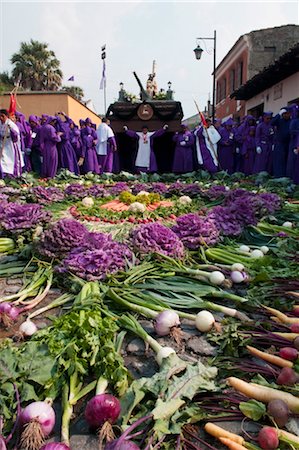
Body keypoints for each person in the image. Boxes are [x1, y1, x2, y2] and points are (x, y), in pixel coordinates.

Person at [0, 109, 23, 177]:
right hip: (2, 144)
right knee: (2, 161)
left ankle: (12, 175)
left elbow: (16, 136)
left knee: (10, 161)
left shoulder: (11, 124)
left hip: (10, 145)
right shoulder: (0, 124)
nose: (1, 118)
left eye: (2, 116)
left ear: (6, 116)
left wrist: (12, 131)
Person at [271, 108, 291, 177]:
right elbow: (272, 122)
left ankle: (285, 176)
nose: (286, 115)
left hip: (288, 143)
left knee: (286, 161)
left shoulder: (291, 121)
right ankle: (278, 176)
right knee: (279, 161)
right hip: (279, 144)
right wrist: (278, 114)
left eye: (287, 114)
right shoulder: (279, 120)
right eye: (284, 114)